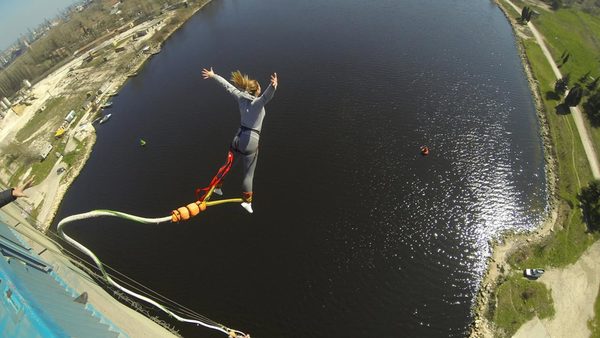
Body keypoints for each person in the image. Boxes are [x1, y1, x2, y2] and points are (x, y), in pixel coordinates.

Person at [202, 67, 278, 213]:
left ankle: (217, 186)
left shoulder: (240, 98)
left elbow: (227, 86)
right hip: (250, 141)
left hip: (237, 137)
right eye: (259, 88)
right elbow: (267, 97)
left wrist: (213, 75)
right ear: (256, 91)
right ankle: (247, 202)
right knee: (248, 174)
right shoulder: (257, 103)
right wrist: (273, 86)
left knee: (227, 164)